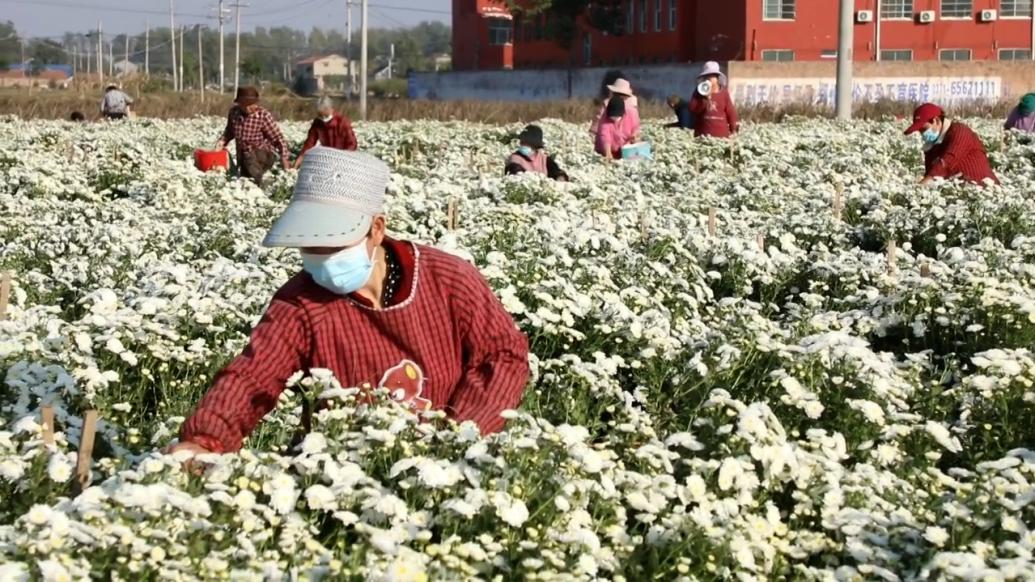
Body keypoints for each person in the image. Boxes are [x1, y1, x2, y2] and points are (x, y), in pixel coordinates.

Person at [168, 147, 530, 460]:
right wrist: (206, 440)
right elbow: (252, 376)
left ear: (376, 230)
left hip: (444, 465)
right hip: (335, 472)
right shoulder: (301, 302)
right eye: (311, 247)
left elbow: (502, 356)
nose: (321, 259)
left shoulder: (448, 279)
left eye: (334, 244)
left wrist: (458, 439)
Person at [904, 102, 999, 186]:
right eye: (920, 131)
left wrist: (921, 186)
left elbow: (947, 161)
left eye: (924, 129)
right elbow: (931, 175)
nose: (922, 134)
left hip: (984, 189)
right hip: (959, 195)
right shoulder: (932, 147)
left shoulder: (960, 132)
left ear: (936, 121)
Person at [216, 86, 289, 186]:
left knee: (254, 177)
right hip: (243, 156)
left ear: (256, 103)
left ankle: (260, 185)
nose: (248, 108)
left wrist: (284, 159)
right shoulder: (234, 113)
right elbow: (229, 131)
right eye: (244, 105)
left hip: (261, 156)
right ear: (239, 103)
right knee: (245, 181)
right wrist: (221, 142)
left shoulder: (263, 115)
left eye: (251, 105)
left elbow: (278, 138)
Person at [294, 96, 358, 169]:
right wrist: (301, 156)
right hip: (328, 158)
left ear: (331, 109)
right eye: (320, 115)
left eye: (325, 115)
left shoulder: (342, 122)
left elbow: (352, 143)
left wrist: (344, 158)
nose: (323, 118)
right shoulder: (317, 123)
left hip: (343, 159)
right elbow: (310, 142)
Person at [689, 61, 738, 138]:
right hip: (702, 136)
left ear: (717, 78)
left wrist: (733, 129)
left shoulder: (724, 93)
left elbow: (730, 112)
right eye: (706, 77)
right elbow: (693, 109)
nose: (708, 79)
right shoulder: (698, 92)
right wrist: (704, 99)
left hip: (721, 136)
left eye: (711, 76)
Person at [504, 124, 569, 181]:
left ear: (535, 145)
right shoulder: (515, 159)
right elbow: (516, 174)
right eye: (522, 143)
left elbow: (556, 171)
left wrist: (560, 177)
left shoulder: (544, 159)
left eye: (527, 144)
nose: (524, 145)